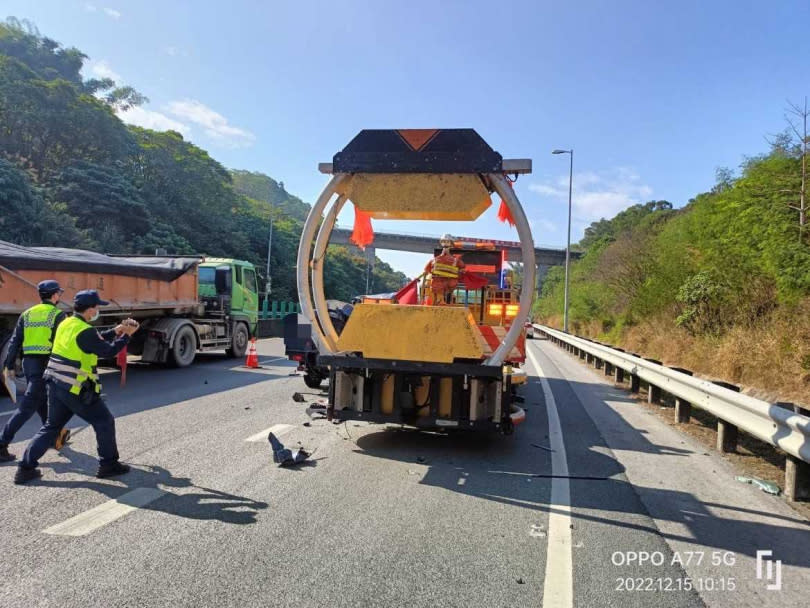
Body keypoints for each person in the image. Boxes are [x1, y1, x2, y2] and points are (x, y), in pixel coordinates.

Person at [14, 290, 139, 484]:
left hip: (56, 384)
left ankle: (25, 468)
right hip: (76, 388)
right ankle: (109, 465)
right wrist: (127, 336)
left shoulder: (67, 323)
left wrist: (116, 331)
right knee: (104, 421)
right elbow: (107, 350)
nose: (97, 310)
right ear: (90, 310)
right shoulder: (85, 330)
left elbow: (93, 340)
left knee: (51, 427)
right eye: (96, 307)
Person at [1, 280, 71, 462]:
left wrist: (8, 365)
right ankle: (1, 444)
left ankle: (52, 436)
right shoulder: (58, 315)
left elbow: (15, 342)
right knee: (27, 407)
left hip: (29, 363)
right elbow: (61, 344)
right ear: (55, 295)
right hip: (46, 363)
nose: (59, 296)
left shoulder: (27, 314)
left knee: (41, 401)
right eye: (59, 293)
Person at [423, 234, 465, 305]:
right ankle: (440, 300)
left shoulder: (455, 260)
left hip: (450, 281)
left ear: (450, 243)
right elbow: (427, 269)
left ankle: (442, 300)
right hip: (438, 280)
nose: (445, 243)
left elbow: (462, 267)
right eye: (444, 241)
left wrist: (459, 272)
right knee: (436, 284)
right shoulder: (435, 260)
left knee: (449, 283)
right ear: (441, 243)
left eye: (447, 241)